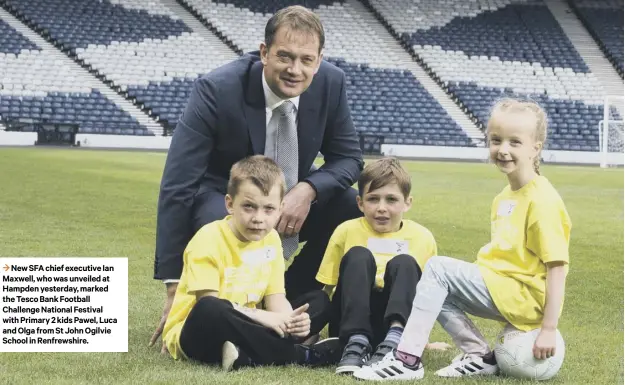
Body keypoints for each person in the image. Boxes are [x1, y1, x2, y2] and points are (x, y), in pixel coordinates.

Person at [150, 5, 363, 348]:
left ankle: (290, 298)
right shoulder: (217, 89)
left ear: (319, 61)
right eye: (285, 57)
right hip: (227, 199)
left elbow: (349, 158)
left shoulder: (331, 83)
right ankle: (225, 307)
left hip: (291, 198)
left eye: (307, 60)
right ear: (264, 53)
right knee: (214, 216)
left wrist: (306, 190)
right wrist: (174, 284)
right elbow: (178, 184)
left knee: (350, 208)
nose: (295, 70)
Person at [354, 98, 572, 381]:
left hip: (523, 297)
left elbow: (557, 267)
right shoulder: (505, 197)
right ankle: (479, 354)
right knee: (433, 284)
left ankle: (406, 360)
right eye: (496, 140)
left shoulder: (542, 200)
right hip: (503, 287)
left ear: (535, 148)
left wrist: (549, 328)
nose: (503, 150)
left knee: (437, 268)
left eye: (514, 142)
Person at [162, 155, 342, 370]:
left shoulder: (271, 238)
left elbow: (276, 298)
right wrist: (267, 318)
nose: (258, 218)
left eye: (269, 209)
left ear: (281, 207)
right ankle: (299, 354)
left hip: (251, 325)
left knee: (318, 300)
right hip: (200, 330)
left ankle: (245, 355)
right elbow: (209, 302)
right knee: (210, 308)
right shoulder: (208, 238)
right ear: (230, 204)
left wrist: (290, 320)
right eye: (249, 206)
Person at [315, 158, 441, 375]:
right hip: (348, 320)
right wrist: (312, 331)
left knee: (405, 262)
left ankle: (396, 341)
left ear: (407, 203)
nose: (381, 208)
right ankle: (356, 343)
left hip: (394, 321)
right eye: (373, 199)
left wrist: (423, 339)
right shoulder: (346, 231)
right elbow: (327, 289)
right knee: (358, 255)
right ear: (360, 203)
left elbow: (428, 296)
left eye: (391, 199)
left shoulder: (422, 237)